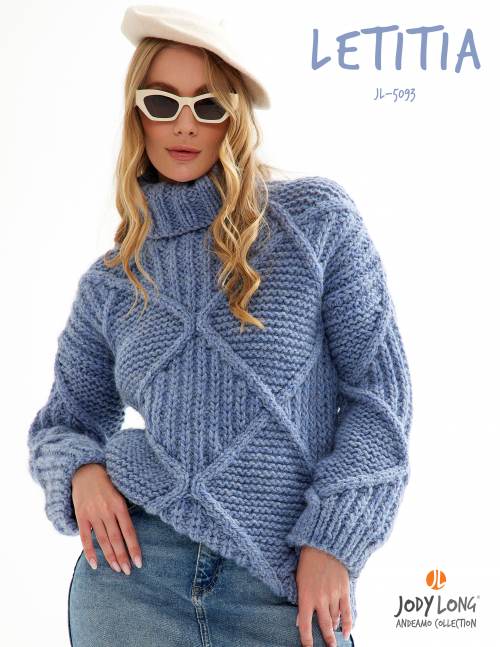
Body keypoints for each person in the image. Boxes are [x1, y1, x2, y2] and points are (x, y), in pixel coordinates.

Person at [27, 6, 413, 647]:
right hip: (132, 582)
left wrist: (334, 539)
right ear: (136, 114)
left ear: (233, 117)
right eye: (162, 102)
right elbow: (63, 423)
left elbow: (380, 399)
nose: (185, 125)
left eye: (207, 106)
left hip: (283, 586)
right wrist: (81, 473)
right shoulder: (111, 283)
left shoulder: (316, 223)